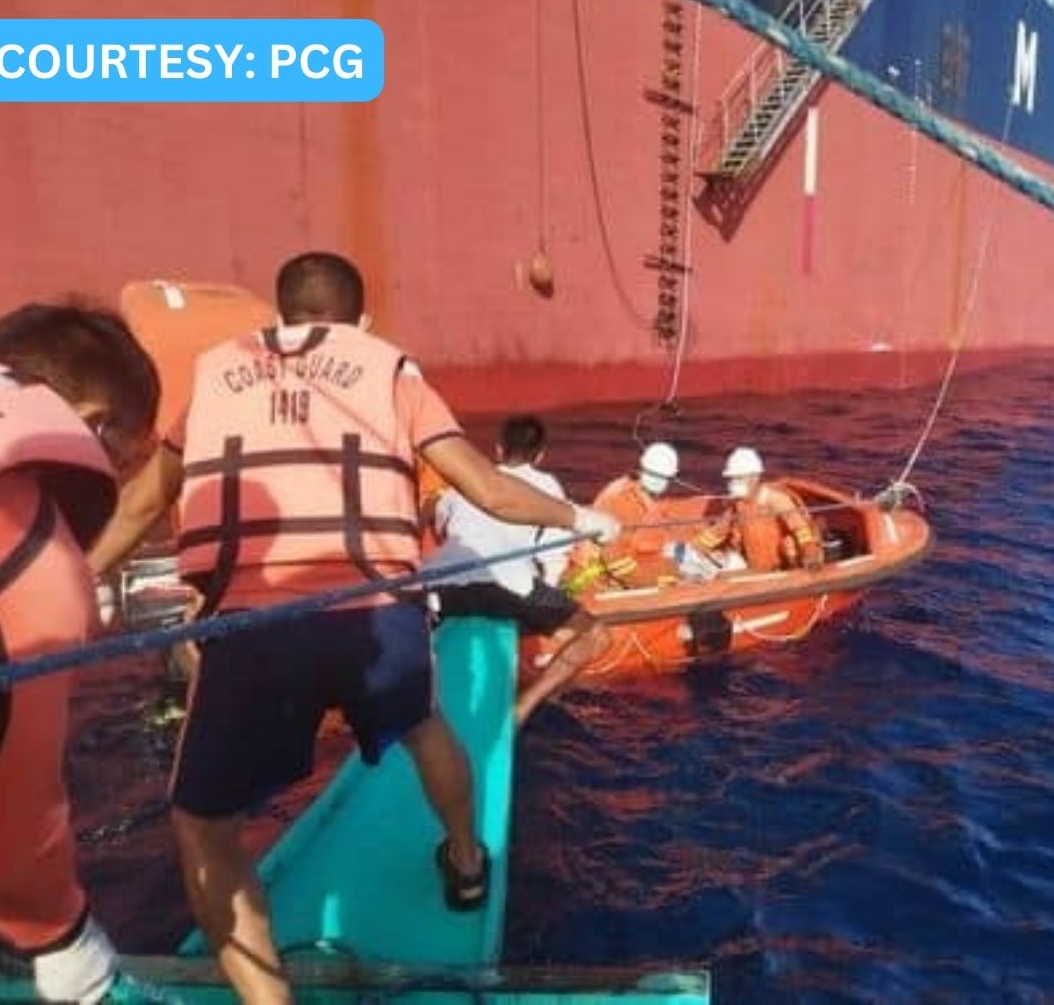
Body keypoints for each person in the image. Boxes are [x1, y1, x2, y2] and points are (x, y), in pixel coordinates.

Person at [83, 251, 619, 1004]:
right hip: (375, 616)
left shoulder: (212, 374)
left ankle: (269, 998)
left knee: (201, 823)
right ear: (361, 322)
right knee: (427, 727)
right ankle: (465, 864)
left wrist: (79, 575)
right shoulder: (391, 370)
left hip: (256, 621)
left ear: (277, 318)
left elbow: (142, 506)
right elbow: (486, 485)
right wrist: (582, 518)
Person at [0, 303, 162, 1004]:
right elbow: (18, 797)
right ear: (96, 425)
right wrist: (58, 936)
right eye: (126, 461)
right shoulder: (41, 559)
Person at [423, 414, 611, 728]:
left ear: (498, 450)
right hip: (505, 585)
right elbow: (556, 553)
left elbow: (441, 525)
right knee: (597, 636)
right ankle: (522, 709)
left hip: (436, 581)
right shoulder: (548, 487)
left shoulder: (464, 484)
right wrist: (548, 597)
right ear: (540, 455)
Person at [564, 442, 696, 593]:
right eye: (655, 475)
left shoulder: (642, 496)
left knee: (673, 569)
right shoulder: (621, 498)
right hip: (594, 578)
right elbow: (613, 557)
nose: (658, 481)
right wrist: (652, 582)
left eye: (663, 477)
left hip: (616, 569)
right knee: (671, 575)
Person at [692, 446, 825, 572]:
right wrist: (694, 549)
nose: (733, 483)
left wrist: (810, 552)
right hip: (753, 567)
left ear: (755, 477)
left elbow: (801, 529)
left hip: (780, 567)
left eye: (739, 478)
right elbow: (718, 532)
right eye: (731, 479)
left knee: (790, 546)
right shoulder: (737, 504)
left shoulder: (776, 500)